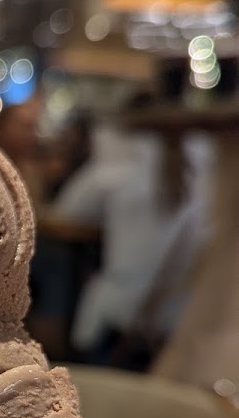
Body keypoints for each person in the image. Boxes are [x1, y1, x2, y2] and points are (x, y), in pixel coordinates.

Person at [44, 100, 213, 368]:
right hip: (178, 318)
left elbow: (66, 211)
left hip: (121, 316)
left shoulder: (121, 165)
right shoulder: (207, 169)